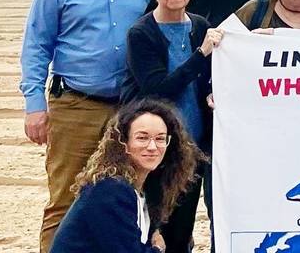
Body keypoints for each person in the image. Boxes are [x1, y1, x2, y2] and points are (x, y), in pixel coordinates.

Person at [20, 0, 152, 253]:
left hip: (131, 109)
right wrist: (35, 106)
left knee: (131, 199)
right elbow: (36, 47)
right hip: (75, 106)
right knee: (66, 198)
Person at [121, 0, 225, 253]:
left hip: (192, 148)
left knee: (182, 233)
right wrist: (200, 54)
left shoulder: (200, 26)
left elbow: (208, 79)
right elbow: (157, 90)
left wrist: (212, 93)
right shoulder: (141, 33)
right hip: (153, 150)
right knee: (152, 232)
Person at [51, 99, 202, 253]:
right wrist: (157, 248)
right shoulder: (110, 190)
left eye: (160, 139)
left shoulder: (142, 190)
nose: (152, 147)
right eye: (142, 138)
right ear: (123, 142)